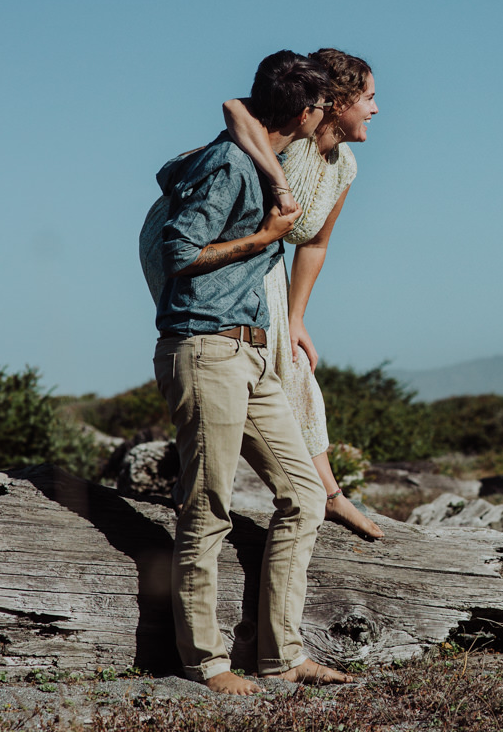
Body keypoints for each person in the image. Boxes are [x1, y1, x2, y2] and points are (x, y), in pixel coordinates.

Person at [150, 50, 352, 695]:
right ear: (304, 111)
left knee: (305, 494)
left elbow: (235, 111)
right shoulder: (229, 165)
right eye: (322, 108)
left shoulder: (262, 158)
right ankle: (205, 661)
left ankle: (281, 655)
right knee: (206, 506)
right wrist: (266, 237)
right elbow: (179, 251)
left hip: (253, 352)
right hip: (204, 348)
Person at [221, 48, 383, 540]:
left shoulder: (346, 165)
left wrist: (296, 319)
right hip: (213, 253)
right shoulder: (290, 138)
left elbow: (314, 244)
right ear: (338, 102)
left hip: (262, 257)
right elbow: (233, 106)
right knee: (257, 369)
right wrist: (277, 180)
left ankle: (325, 495)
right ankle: (317, 495)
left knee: (292, 363)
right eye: (369, 99)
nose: (375, 110)